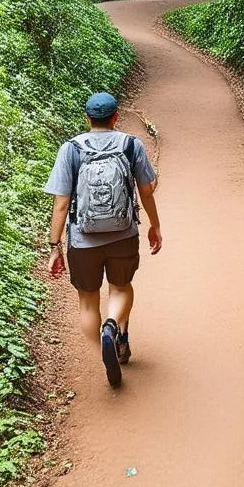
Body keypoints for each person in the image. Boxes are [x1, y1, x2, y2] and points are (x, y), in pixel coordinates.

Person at [45, 92, 163, 388]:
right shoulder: (130, 145)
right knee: (121, 287)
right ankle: (114, 326)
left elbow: (61, 203)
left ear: (87, 119)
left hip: (83, 240)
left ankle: (103, 350)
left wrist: (54, 246)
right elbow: (146, 191)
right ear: (115, 118)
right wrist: (155, 226)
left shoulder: (71, 149)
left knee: (87, 301)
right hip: (123, 234)